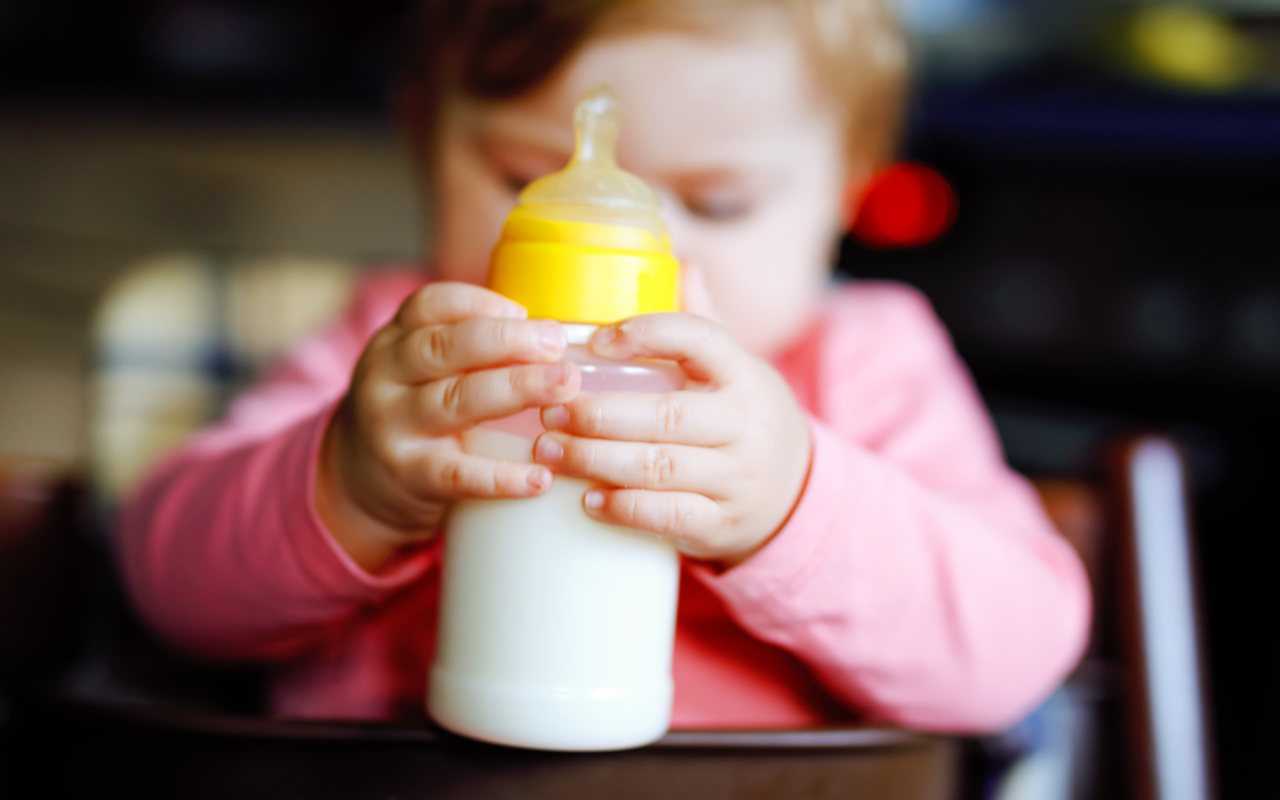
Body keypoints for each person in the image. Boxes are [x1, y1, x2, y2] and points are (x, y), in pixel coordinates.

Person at [117, 0, 1090, 731]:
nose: (621, 238)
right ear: (422, 138)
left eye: (717, 202)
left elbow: (1015, 651)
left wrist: (795, 500)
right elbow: (166, 585)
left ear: (849, 185)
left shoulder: (867, 359)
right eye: (522, 180)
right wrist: (347, 483)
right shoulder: (396, 353)